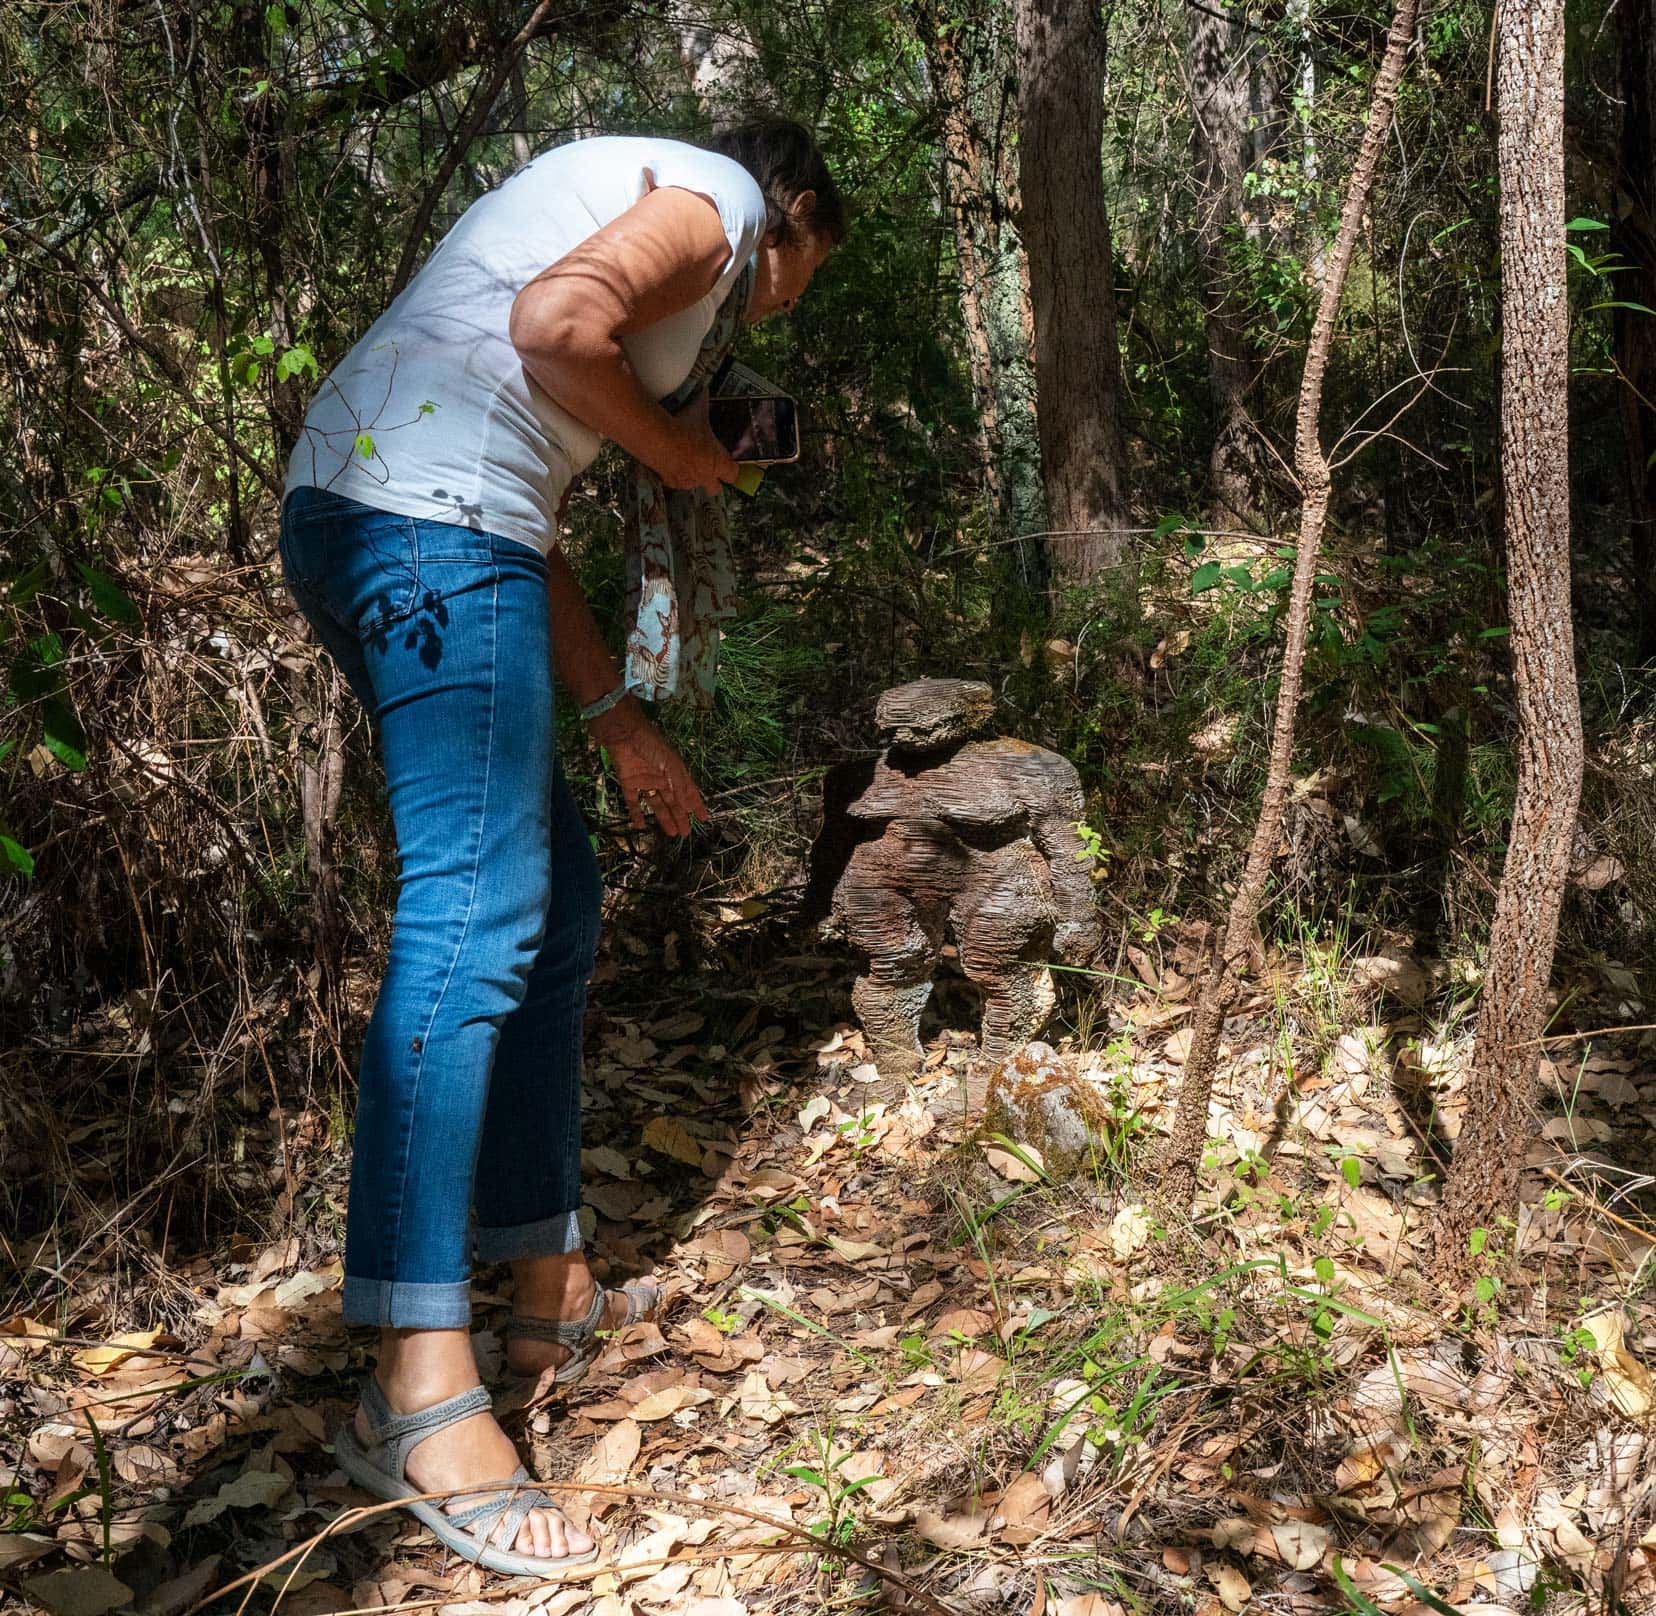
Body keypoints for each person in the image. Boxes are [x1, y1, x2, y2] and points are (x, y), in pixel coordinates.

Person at [277, 119, 842, 1573]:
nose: (772, 312)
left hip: (404, 518)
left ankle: (552, 1276)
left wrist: (616, 720)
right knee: (476, 913)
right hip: (420, 522)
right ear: (787, 219)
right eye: (797, 283)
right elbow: (553, 329)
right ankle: (413, 1381)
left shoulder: (631, 216)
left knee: (555, 902)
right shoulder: (711, 201)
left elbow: (522, 520)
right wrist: (685, 459)